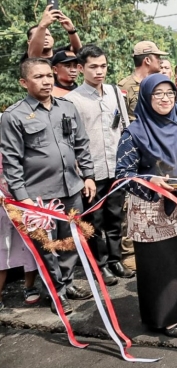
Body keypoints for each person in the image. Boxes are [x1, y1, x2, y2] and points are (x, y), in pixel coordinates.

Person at [116, 73, 177, 338]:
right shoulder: (134, 132)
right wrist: (151, 180)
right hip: (153, 210)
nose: (165, 98)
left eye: (169, 93)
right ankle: (164, 317)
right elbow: (123, 175)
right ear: (146, 98)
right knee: (160, 265)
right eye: (157, 93)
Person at [0, 58, 96, 315]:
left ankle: (64, 285)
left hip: (71, 189)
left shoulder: (66, 107)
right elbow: (11, 161)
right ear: (24, 82)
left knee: (70, 242)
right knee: (46, 248)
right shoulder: (14, 115)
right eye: (38, 77)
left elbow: (81, 144)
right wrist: (24, 199)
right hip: (38, 196)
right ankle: (55, 293)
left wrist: (88, 175)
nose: (46, 81)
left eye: (48, 75)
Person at [65, 44, 133, 285]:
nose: (99, 71)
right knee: (94, 221)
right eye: (93, 67)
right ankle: (99, 265)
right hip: (90, 171)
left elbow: (124, 128)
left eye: (103, 66)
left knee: (116, 217)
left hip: (116, 167)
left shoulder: (115, 93)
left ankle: (115, 260)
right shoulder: (71, 100)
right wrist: (83, 174)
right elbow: (69, 140)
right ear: (81, 68)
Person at [0, 154, 40, 311]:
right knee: (2, 249)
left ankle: (29, 286)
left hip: (25, 203)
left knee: (29, 246)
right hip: (2, 208)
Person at [118, 41, 169, 121]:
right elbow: (120, 118)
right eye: (158, 57)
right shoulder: (125, 86)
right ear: (147, 60)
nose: (161, 61)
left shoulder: (159, 84)